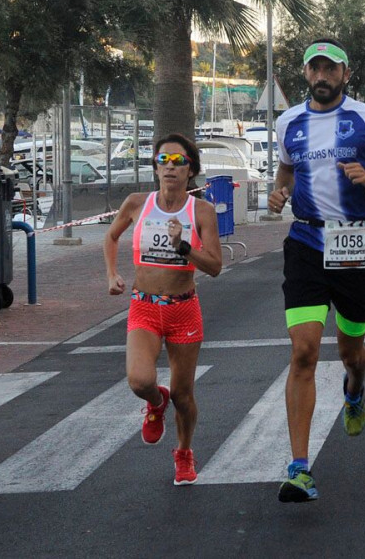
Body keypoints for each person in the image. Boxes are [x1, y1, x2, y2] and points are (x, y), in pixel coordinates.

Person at [266, 38, 365, 502]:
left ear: (345, 74)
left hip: (353, 243)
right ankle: (300, 468)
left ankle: (354, 389)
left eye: (330, 68)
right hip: (306, 241)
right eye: (314, 69)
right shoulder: (289, 122)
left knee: (352, 352)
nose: (321, 76)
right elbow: (286, 172)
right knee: (304, 352)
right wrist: (277, 193)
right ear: (305, 74)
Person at [103, 133, 222, 486]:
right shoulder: (137, 203)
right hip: (144, 305)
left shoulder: (201, 211)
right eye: (163, 160)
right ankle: (156, 403)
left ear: (190, 171)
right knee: (140, 380)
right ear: (155, 167)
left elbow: (215, 265)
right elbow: (111, 236)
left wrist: (184, 247)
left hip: (184, 309)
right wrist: (112, 273)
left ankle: (184, 452)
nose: (170, 167)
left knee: (184, 395)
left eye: (178, 161)